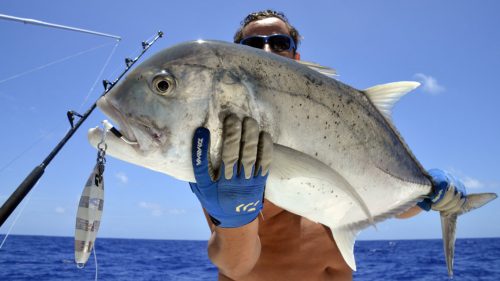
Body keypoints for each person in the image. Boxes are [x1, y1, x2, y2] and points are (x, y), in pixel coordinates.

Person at [188, 10, 466, 281]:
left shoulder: (335, 123)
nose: (268, 49)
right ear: (236, 57)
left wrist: (431, 194)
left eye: (280, 42)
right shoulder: (223, 138)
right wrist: (235, 221)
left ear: (296, 56)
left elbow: (385, 202)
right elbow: (234, 266)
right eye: (253, 44)